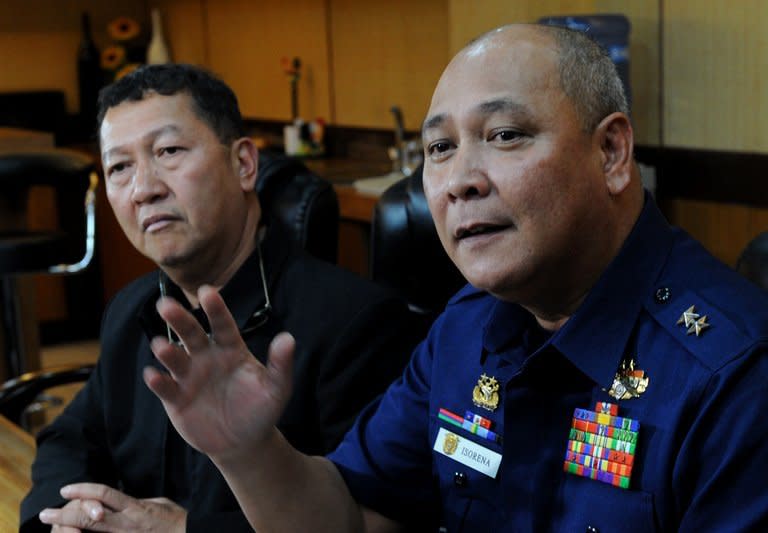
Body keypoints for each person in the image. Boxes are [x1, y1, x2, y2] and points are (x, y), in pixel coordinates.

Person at [61, 24, 768, 531]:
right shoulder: (462, 328)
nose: (459, 180)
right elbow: (347, 516)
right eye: (437, 147)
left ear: (612, 152)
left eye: (505, 135)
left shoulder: (734, 374)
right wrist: (250, 454)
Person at [22, 64, 422, 532]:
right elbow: (69, 440)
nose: (144, 189)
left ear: (244, 165)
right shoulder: (133, 309)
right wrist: (63, 518)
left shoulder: (355, 322)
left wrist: (184, 529)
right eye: (119, 167)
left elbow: (366, 521)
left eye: (168, 151)